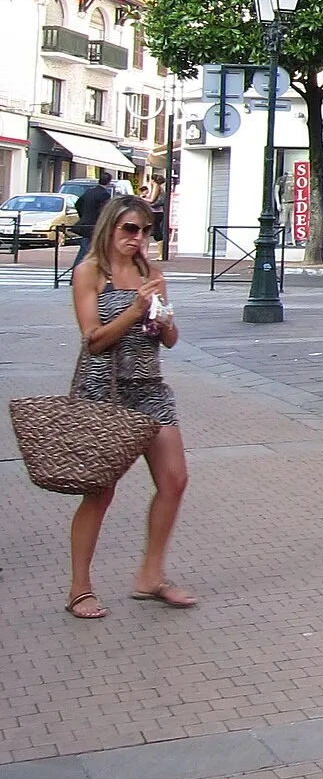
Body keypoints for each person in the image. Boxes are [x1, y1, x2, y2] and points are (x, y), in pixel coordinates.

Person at [63, 195, 193, 617]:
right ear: (110, 229)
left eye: (145, 231)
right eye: (129, 230)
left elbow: (168, 339)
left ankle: (150, 575)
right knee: (100, 492)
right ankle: (80, 588)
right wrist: (135, 309)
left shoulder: (150, 274)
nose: (137, 239)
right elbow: (94, 340)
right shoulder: (90, 273)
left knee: (174, 480)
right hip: (104, 390)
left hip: (150, 387)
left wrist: (164, 320)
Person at [69, 170, 113, 268]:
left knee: (85, 249)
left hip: (85, 223)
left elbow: (78, 204)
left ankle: (79, 272)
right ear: (109, 182)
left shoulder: (89, 191)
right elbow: (105, 211)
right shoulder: (104, 195)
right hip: (96, 225)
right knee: (89, 249)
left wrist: (83, 216)